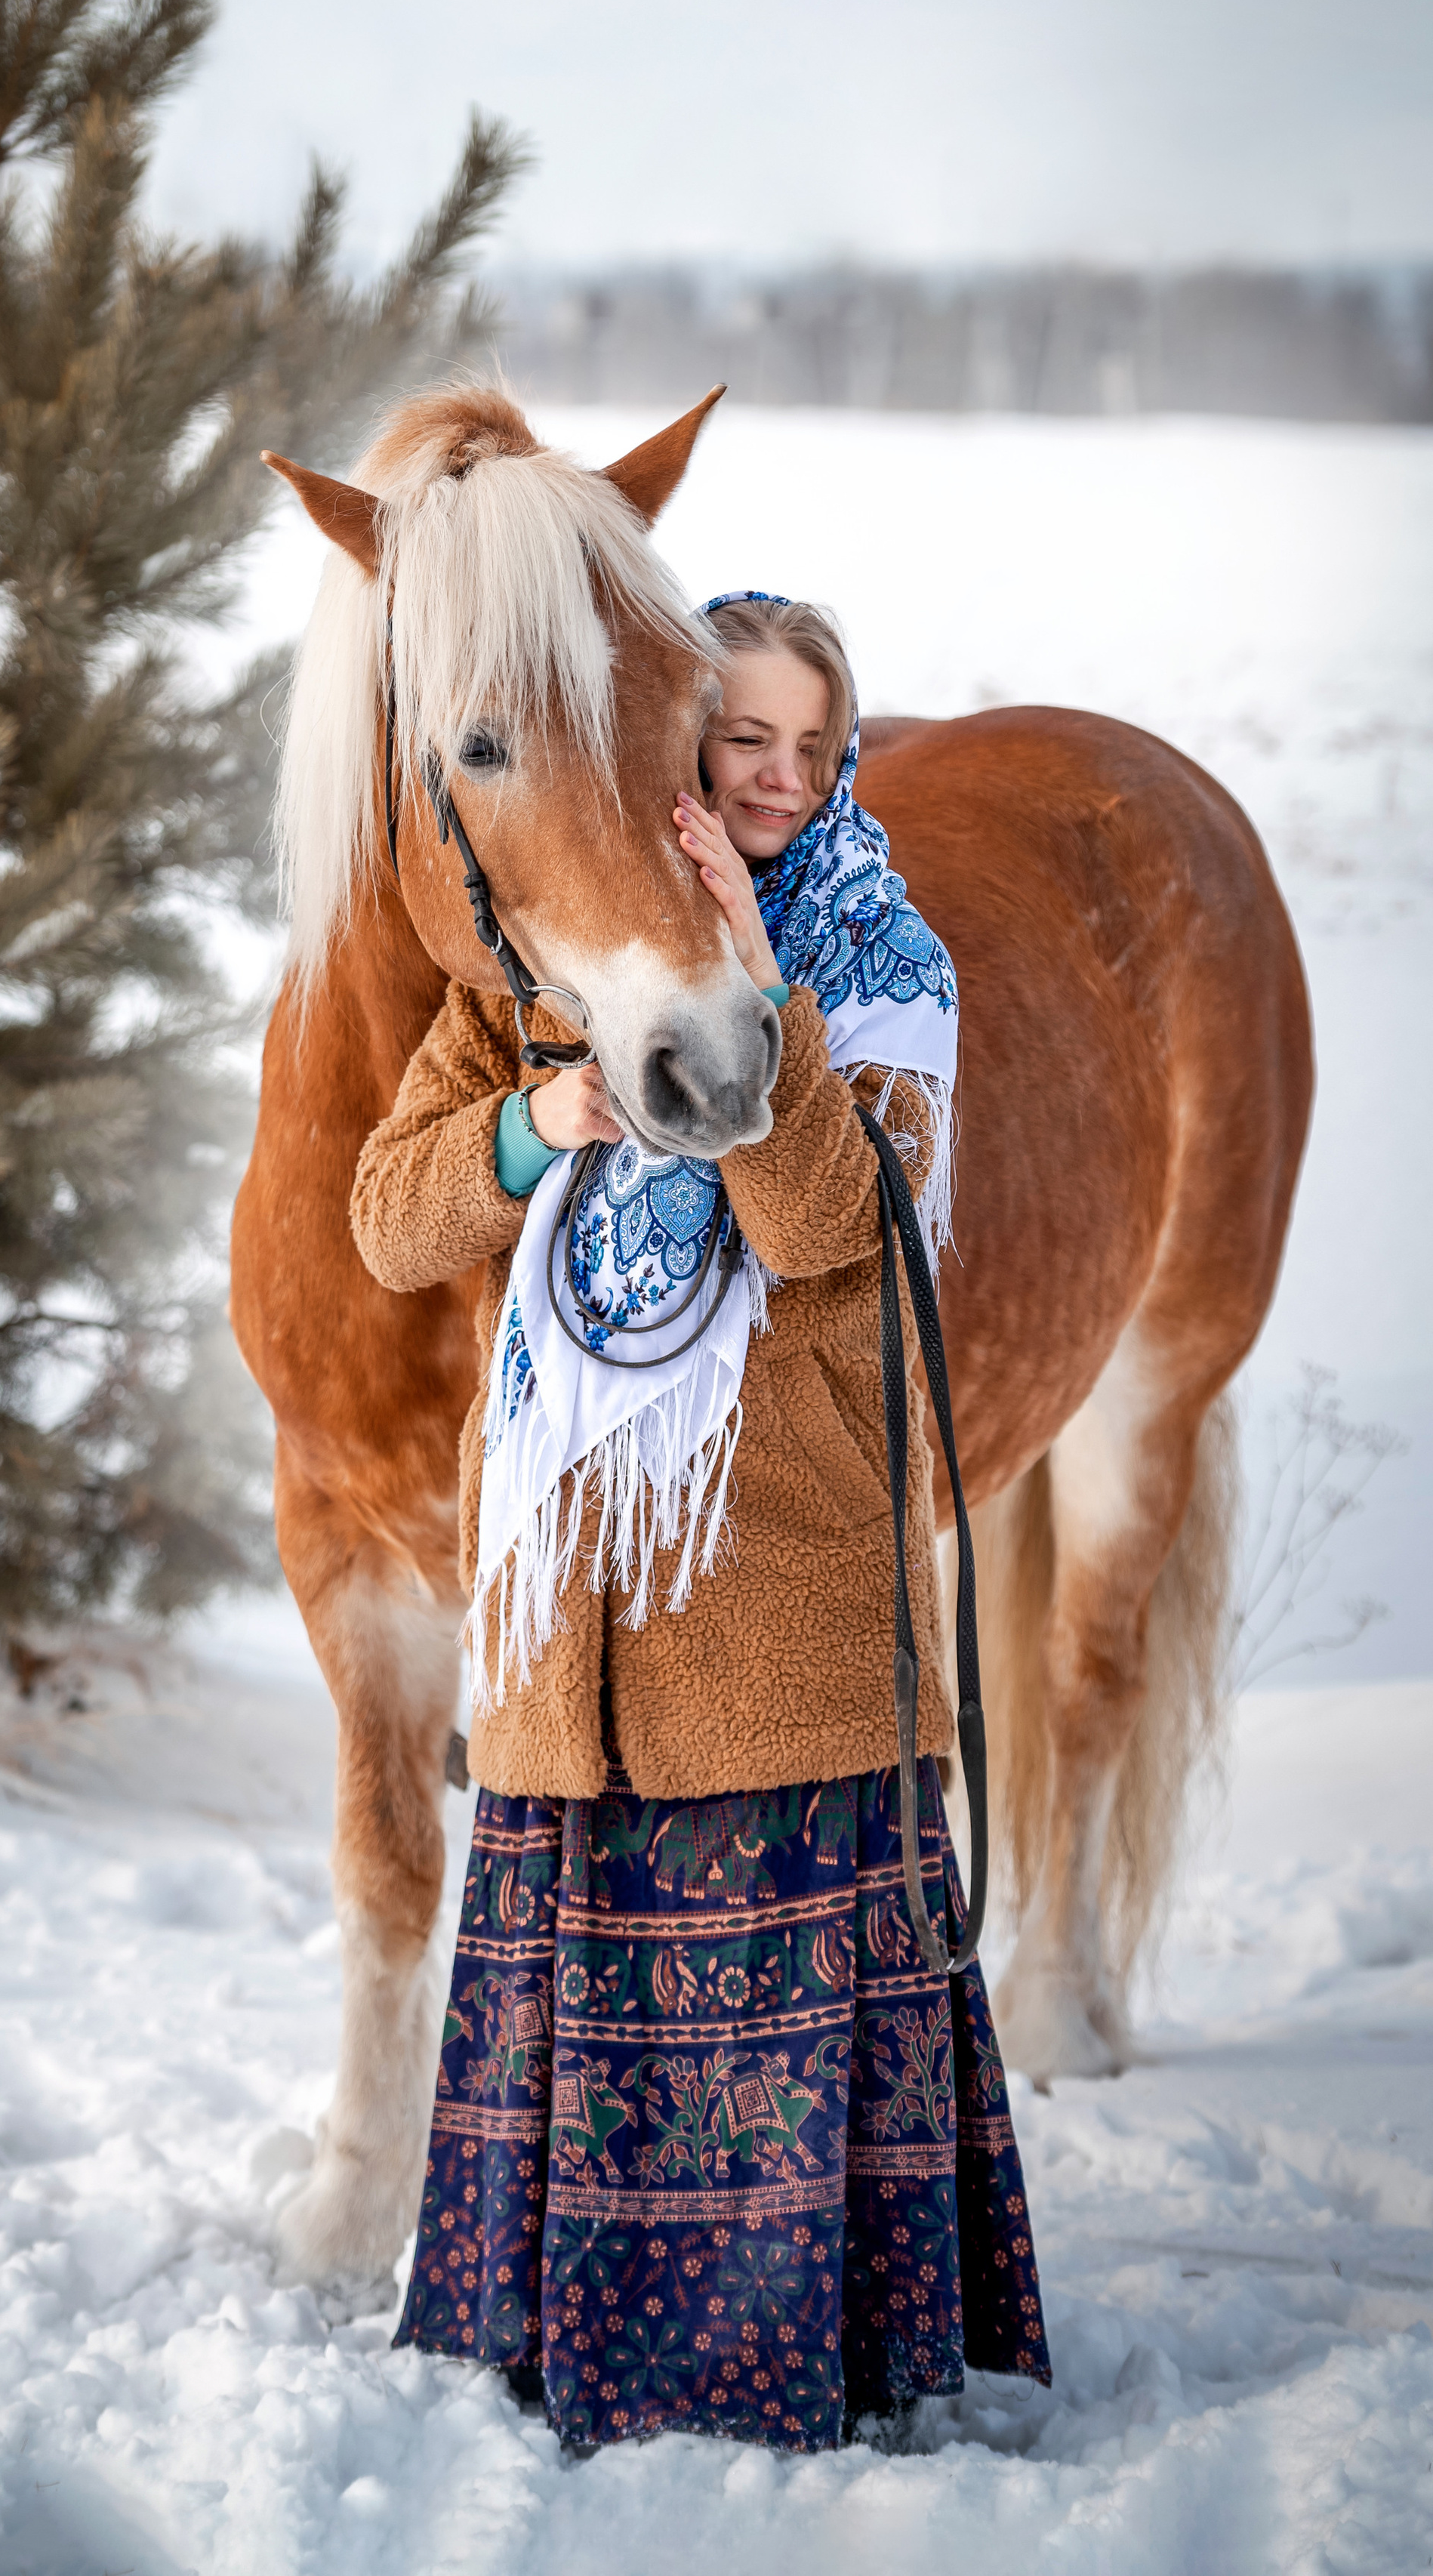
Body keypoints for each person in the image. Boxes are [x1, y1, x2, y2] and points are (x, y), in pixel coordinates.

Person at [350, 593, 1050, 2454]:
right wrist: (544, 1117)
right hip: (576, 1603)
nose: (771, 774)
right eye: (736, 735)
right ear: (666, 738)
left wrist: (756, 993)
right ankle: (542, 2343)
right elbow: (393, 1218)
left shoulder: (882, 971)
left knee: (757, 2023)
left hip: (778, 1610)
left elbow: (835, 1233)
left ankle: (768, 2379)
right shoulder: (541, 963)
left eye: (810, 749)